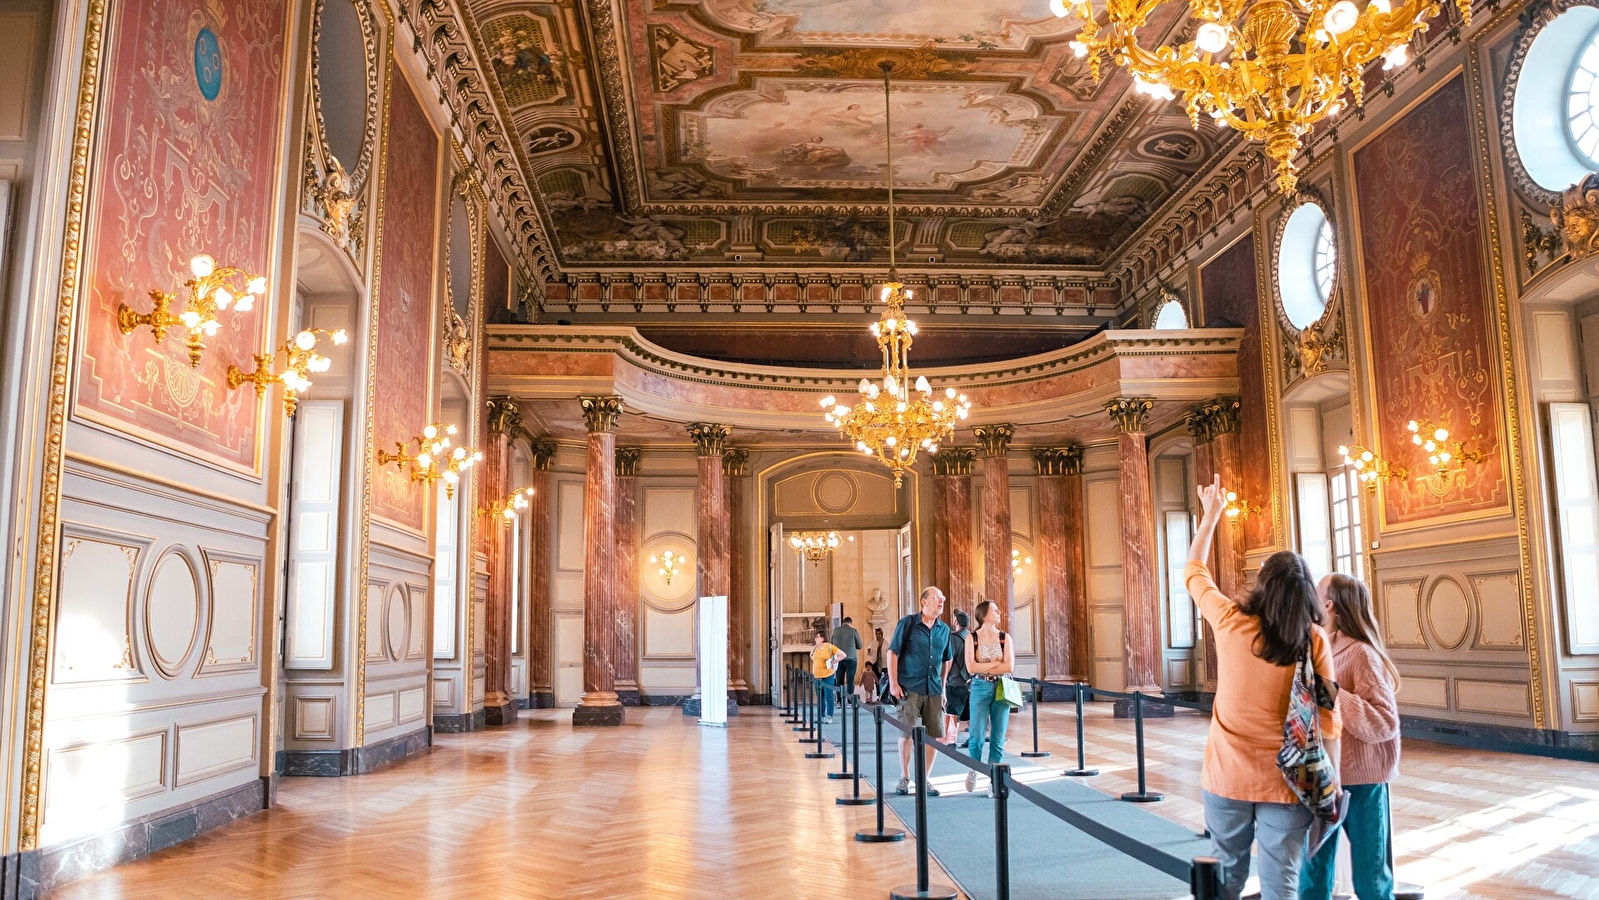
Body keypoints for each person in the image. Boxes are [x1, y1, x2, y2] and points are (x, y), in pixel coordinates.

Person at [1186, 475, 1341, 900]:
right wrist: (1334, 776)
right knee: (1282, 883)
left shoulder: (1231, 621)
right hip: (1290, 780)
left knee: (1227, 879)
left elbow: (1194, 571)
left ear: (1262, 585)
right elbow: (1328, 717)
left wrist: (1211, 515)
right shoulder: (1313, 639)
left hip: (1227, 775)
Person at [1300, 574, 1400, 900]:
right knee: (1313, 878)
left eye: (1316, 590)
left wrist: (1328, 692)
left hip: (1362, 782)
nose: (1309, 593)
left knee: (1371, 881)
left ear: (1328, 604)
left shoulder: (1361, 655)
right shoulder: (1317, 646)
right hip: (1321, 775)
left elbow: (1385, 721)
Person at [886, 586, 955, 796]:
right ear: (924, 602)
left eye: (942, 598)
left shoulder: (944, 630)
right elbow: (892, 652)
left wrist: (942, 686)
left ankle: (924, 779)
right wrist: (894, 683)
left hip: (933, 689)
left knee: (933, 735)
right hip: (909, 687)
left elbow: (948, 658)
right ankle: (904, 777)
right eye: (936, 598)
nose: (941, 601)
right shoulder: (908, 624)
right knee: (906, 732)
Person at [963, 600, 1015, 795]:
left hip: (1002, 687)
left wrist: (983, 665)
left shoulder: (1004, 638)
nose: (999, 612)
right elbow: (971, 667)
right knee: (976, 735)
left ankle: (994, 778)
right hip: (979, 686)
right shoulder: (972, 638)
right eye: (995, 609)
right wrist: (995, 663)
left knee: (998, 737)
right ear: (984, 615)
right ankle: (974, 769)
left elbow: (1009, 666)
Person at [943, 610, 972, 746]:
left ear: (956, 622)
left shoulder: (953, 638)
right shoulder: (971, 637)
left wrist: (944, 678)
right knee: (970, 712)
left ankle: (951, 739)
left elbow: (949, 660)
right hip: (970, 681)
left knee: (952, 711)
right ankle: (972, 738)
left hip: (955, 680)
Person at [810, 631, 845, 724]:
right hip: (817, 676)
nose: (815, 639)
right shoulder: (815, 648)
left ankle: (829, 716)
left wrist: (835, 661)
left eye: (817, 637)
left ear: (822, 638)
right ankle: (821, 716)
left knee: (828, 696)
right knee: (820, 697)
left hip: (827, 675)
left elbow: (843, 655)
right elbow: (812, 656)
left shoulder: (830, 647)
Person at [831, 616, 864, 701]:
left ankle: (839, 701)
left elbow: (831, 645)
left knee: (839, 680)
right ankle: (850, 701)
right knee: (850, 680)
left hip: (839, 659)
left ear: (843, 622)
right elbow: (860, 645)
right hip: (851, 659)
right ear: (850, 623)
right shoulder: (853, 631)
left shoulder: (835, 631)